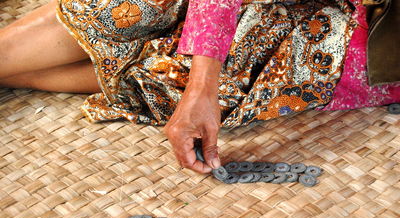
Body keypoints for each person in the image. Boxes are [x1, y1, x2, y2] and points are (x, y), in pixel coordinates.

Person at [0, 0, 399, 174]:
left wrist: (202, 86)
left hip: (362, 37)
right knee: (136, 8)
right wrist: (200, 87)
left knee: (223, 74)